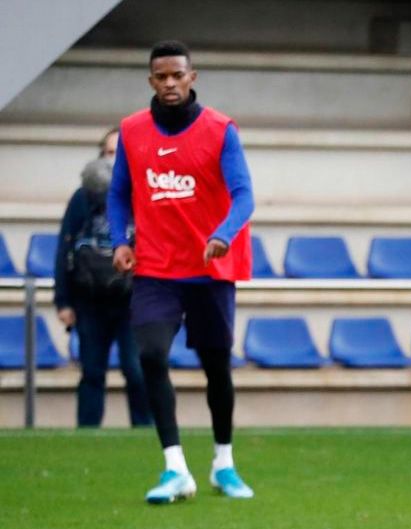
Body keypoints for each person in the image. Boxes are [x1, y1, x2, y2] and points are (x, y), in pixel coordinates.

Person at [108, 40, 256, 504]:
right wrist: (118, 241)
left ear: (193, 77)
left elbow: (244, 195)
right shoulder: (132, 131)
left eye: (177, 75)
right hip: (156, 267)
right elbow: (117, 194)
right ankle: (175, 467)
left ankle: (223, 463)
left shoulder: (220, 130)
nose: (169, 83)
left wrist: (223, 234)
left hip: (209, 269)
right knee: (150, 355)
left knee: (217, 368)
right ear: (151, 80)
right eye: (160, 76)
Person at [54, 128, 152, 428]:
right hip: (89, 301)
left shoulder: (146, 194)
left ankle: (145, 433)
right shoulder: (82, 198)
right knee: (92, 373)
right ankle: (87, 433)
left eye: (121, 153)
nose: (114, 160)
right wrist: (63, 301)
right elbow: (65, 248)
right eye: (110, 153)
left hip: (133, 301)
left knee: (137, 370)